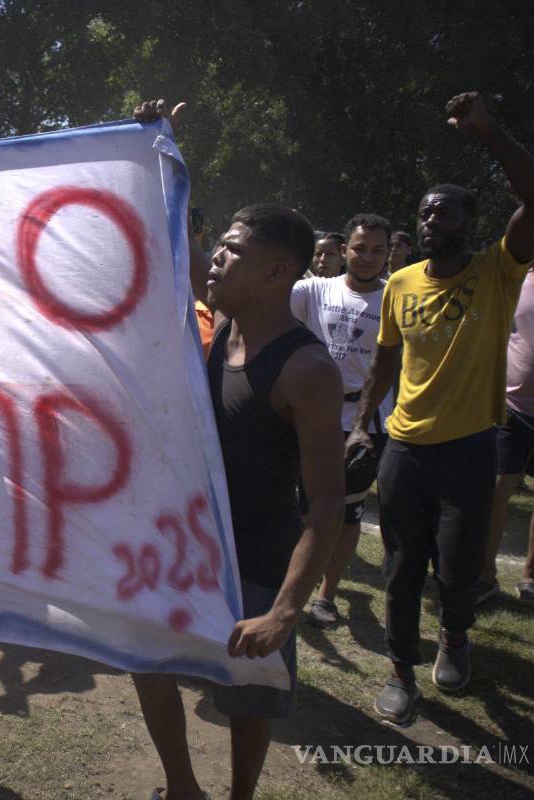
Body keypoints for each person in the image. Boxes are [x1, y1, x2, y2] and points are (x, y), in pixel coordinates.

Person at [131, 99, 345, 800]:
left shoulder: (307, 370)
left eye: (231, 250)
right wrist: (158, 148)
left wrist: (285, 611)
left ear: (278, 271)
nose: (214, 259)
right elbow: (178, 239)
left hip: (257, 558)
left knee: (247, 697)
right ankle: (182, 789)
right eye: (217, 247)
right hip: (188, 546)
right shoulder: (226, 318)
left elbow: (326, 507)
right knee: (148, 665)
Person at [347, 92, 534, 725]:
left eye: (443, 212)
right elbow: (385, 362)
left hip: (469, 448)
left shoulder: (498, 270)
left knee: (460, 569)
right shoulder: (401, 282)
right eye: (424, 212)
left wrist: (489, 131)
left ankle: (455, 635)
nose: (430, 219)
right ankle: (400, 671)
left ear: (470, 222)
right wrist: (362, 425)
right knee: (401, 565)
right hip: (405, 447)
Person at [291, 213, 396, 628]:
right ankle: (292, 584)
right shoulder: (313, 290)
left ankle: (327, 595)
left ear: (388, 254)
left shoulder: (396, 297)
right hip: (309, 416)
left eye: (377, 250)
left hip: (365, 424)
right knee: (302, 508)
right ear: (343, 249)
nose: (367, 257)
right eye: (359, 248)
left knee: (347, 514)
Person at [478, 215, 534, 610]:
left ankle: (530, 577)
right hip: (512, 410)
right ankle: (484, 575)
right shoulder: (513, 285)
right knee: (496, 492)